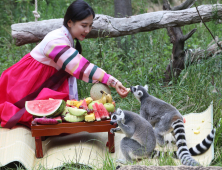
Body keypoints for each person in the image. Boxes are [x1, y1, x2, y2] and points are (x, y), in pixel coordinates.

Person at [0, 0, 129, 128]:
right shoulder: (56, 41)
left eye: (90, 26)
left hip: (39, 81)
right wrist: (112, 81)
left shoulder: (66, 37)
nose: (88, 30)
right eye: (84, 25)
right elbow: (80, 67)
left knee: (58, 117)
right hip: (24, 84)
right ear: (70, 22)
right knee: (24, 114)